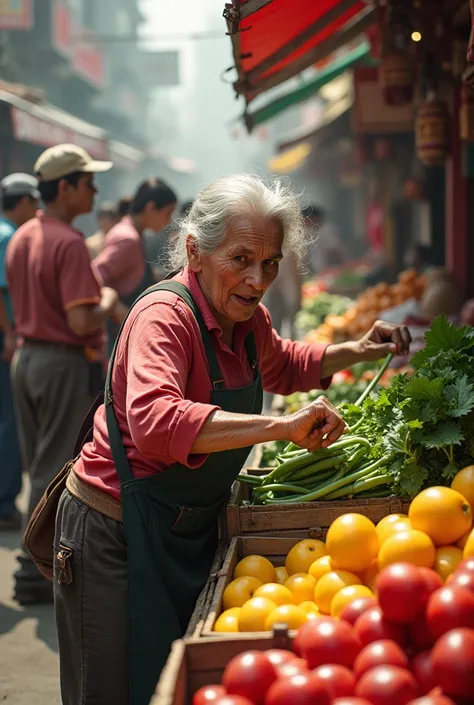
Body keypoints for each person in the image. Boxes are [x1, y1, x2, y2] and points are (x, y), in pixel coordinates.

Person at [52, 174, 411, 705]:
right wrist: (282, 427)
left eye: (269, 263)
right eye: (240, 259)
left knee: (164, 681)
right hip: (113, 530)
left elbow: (286, 364)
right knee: (112, 689)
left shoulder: (247, 318)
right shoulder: (164, 317)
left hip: (178, 528)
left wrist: (359, 349)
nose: (257, 278)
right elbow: (155, 422)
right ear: (196, 252)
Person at [6, 144, 122, 605]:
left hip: (28, 358)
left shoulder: (23, 235)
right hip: (60, 362)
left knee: (39, 460)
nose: (95, 190)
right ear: (68, 186)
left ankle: (32, 566)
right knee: (56, 466)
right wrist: (111, 302)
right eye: (88, 181)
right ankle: (35, 568)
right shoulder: (69, 241)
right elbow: (80, 321)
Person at [93, 177, 177, 356]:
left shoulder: (134, 236)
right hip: (117, 341)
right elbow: (94, 277)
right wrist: (116, 307)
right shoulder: (127, 239)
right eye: (168, 213)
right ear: (150, 207)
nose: (168, 221)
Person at [0, 173, 39, 531]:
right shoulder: (11, 236)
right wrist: (11, 333)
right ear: (25, 201)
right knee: (10, 423)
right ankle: (5, 504)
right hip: (6, 340)